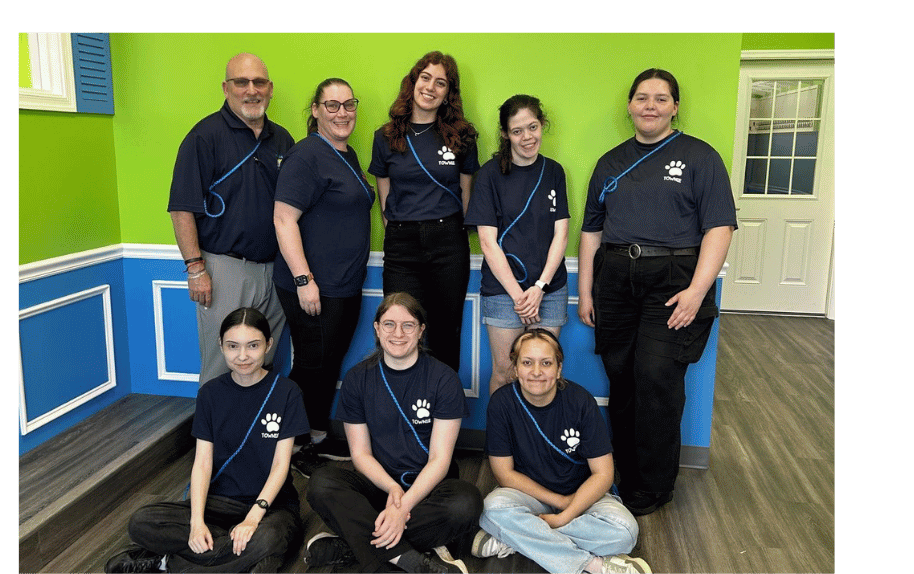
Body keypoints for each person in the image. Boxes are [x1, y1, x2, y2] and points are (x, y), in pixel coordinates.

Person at [577, 69, 736, 519]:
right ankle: (621, 476)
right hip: (615, 280)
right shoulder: (609, 162)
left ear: (675, 107)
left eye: (661, 98)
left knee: (657, 382)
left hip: (673, 281)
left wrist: (695, 293)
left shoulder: (700, 157)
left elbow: (719, 228)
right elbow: (591, 230)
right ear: (629, 105)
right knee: (622, 379)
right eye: (642, 97)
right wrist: (586, 291)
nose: (651, 105)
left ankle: (653, 486)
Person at [106, 308, 307, 574]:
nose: (243, 356)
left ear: (268, 345)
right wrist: (197, 522)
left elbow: (281, 465)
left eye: (253, 346)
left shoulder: (287, 392)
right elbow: (202, 463)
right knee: (142, 522)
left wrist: (252, 518)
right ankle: (245, 560)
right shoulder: (211, 393)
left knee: (269, 538)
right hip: (220, 502)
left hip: (271, 507)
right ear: (221, 346)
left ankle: (170, 564)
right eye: (233, 346)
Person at [305, 292, 482, 574]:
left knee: (466, 503)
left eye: (408, 325)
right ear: (377, 329)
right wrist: (392, 489)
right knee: (322, 483)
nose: (398, 333)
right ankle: (407, 559)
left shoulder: (443, 378)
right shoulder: (357, 379)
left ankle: (355, 544)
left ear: (421, 331)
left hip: (429, 487)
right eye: (389, 324)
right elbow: (360, 455)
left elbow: (439, 459)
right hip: (379, 485)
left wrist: (403, 507)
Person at [474, 330, 650, 574]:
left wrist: (565, 515)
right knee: (490, 509)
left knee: (626, 532)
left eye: (546, 363)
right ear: (515, 368)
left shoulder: (581, 402)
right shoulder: (502, 403)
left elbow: (603, 474)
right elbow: (504, 475)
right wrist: (560, 503)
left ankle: (515, 538)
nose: (536, 372)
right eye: (527, 363)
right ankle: (593, 565)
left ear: (558, 369)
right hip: (529, 496)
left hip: (582, 496)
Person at [169, 51, 295, 383]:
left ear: (270, 89)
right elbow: (182, 207)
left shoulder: (281, 139)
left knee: (264, 361)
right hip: (225, 269)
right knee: (222, 364)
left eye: (259, 82)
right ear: (226, 88)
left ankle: (255, 432)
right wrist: (196, 269)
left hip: (277, 269)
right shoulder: (203, 137)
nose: (251, 90)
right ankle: (214, 435)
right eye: (242, 82)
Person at [273, 76, 375, 467]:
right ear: (315, 111)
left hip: (344, 284)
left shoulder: (345, 154)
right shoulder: (306, 156)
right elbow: (284, 220)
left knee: (327, 363)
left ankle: (314, 435)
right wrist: (304, 280)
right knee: (312, 366)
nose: (342, 113)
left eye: (349, 104)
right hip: (314, 285)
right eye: (331, 105)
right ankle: (291, 448)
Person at [369, 51, 479, 374]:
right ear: (413, 82)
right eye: (426, 78)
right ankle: (404, 413)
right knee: (401, 329)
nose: (431, 87)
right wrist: (404, 230)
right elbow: (385, 199)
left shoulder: (462, 137)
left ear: (448, 94)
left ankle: (443, 415)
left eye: (441, 83)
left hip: (448, 243)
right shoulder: (386, 137)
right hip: (402, 246)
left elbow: (466, 196)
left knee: (445, 333)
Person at [467, 95, 570, 393]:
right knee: (505, 371)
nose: (527, 137)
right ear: (505, 134)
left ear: (542, 126)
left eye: (533, 127)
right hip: (503, 291)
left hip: (549, 289)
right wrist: (519, 297)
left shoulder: (554, 172)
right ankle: (502, 440)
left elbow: (560, 235)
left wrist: (539, 288)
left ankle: (536, 439)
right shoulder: (489, 175)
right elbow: (487, 242)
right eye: (517, 130)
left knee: (542, 376)